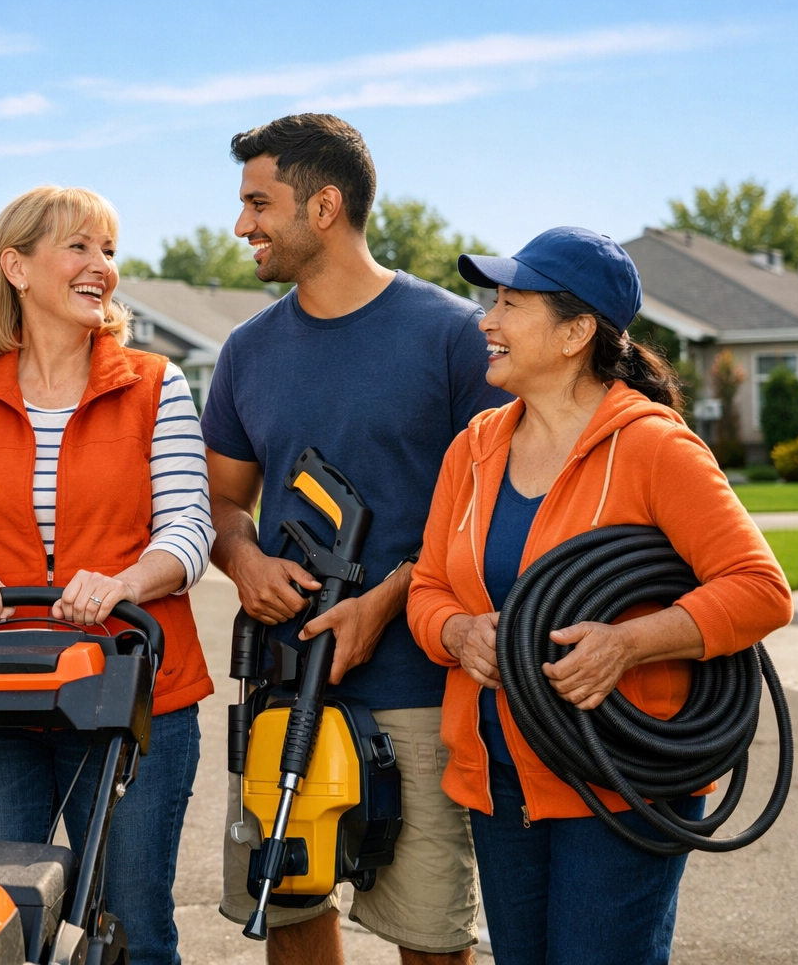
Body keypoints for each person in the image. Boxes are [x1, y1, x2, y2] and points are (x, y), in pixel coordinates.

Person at [408, 227, 793, 965]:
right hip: (502, 776)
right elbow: (428, 587)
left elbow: (760, 590)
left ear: (576, 331)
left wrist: (628, 644)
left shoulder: (654, 446)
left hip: (618, 781)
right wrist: (457, 633)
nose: (486, 320)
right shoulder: (475, 447)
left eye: (509, 303)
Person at [204, 114, 508, 965]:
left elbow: (488, 515)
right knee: (292, 917)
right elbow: (224, 503)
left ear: (325, 205)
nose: (242, 225)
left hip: (415, 684)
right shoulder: (245, 352)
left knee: (428, 935)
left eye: (259, 202)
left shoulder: (453, 336)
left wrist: (385, 601)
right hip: (279, 681)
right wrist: (246, 558)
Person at [0, 184, 216, 965]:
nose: (100, 266)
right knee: (2, 924)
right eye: (79, 247)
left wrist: (126, 583)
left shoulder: (153, 383)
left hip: (130, 688)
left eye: (108, 250)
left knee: (133, 925)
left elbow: (189, 528)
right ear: (17, 266)